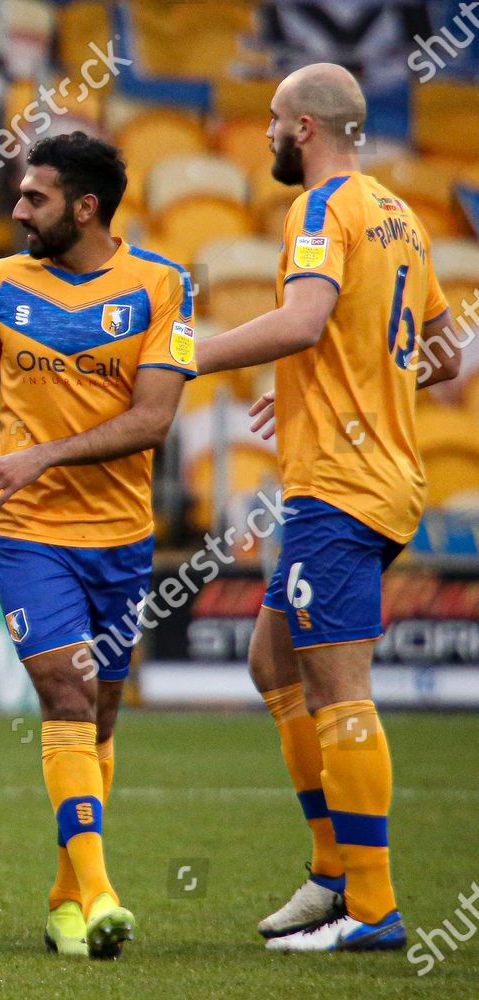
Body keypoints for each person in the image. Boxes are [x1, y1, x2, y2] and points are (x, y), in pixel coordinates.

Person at [0, 132, 196, 959]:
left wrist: (42, 453)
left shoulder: (163, 286)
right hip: (28, 534)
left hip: (122, 536)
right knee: (65, 693)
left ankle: (64, 897)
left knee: (99, 720)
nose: (17, 210)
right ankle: (100, 894)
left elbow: (154, 417)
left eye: (35, 198)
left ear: (84, 210)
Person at [194, 63, 460, 952]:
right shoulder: (402, 214)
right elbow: (446, 354)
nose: (266, 134)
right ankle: (331, 872)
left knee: (340, 689)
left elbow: (306, 320)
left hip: (343, 485)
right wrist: (318, 387)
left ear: (304, 128)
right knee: (274, 661)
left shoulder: (321, 210)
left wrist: (192, 358)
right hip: (377, 472)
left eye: (273, 121)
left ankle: (375, 908)